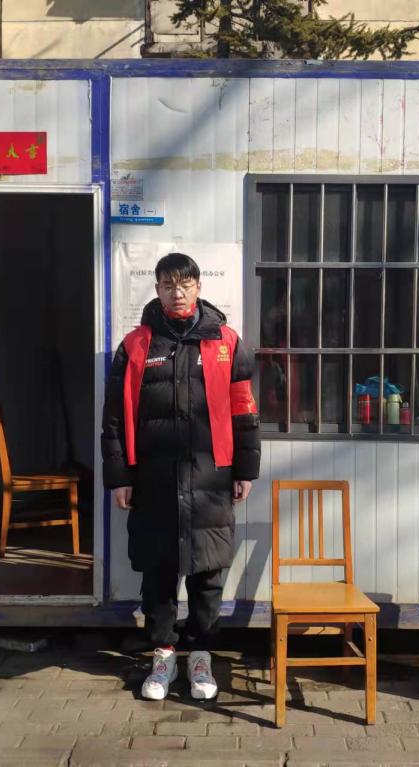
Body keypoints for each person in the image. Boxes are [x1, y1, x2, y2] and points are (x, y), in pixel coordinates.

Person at [101, 253, 261, 701]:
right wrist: (119, 476)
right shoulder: (135, 345)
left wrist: (246, 469)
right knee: (158, 574)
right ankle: (164, 656)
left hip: (211, 480)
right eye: (169, 285)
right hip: (153, 481)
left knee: (207, 574)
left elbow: (244, 410)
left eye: (185, 284)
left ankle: (201, 657)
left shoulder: (226, 342)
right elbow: (114, 417)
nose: (177, 292)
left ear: (198, 288)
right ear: (157, 289)